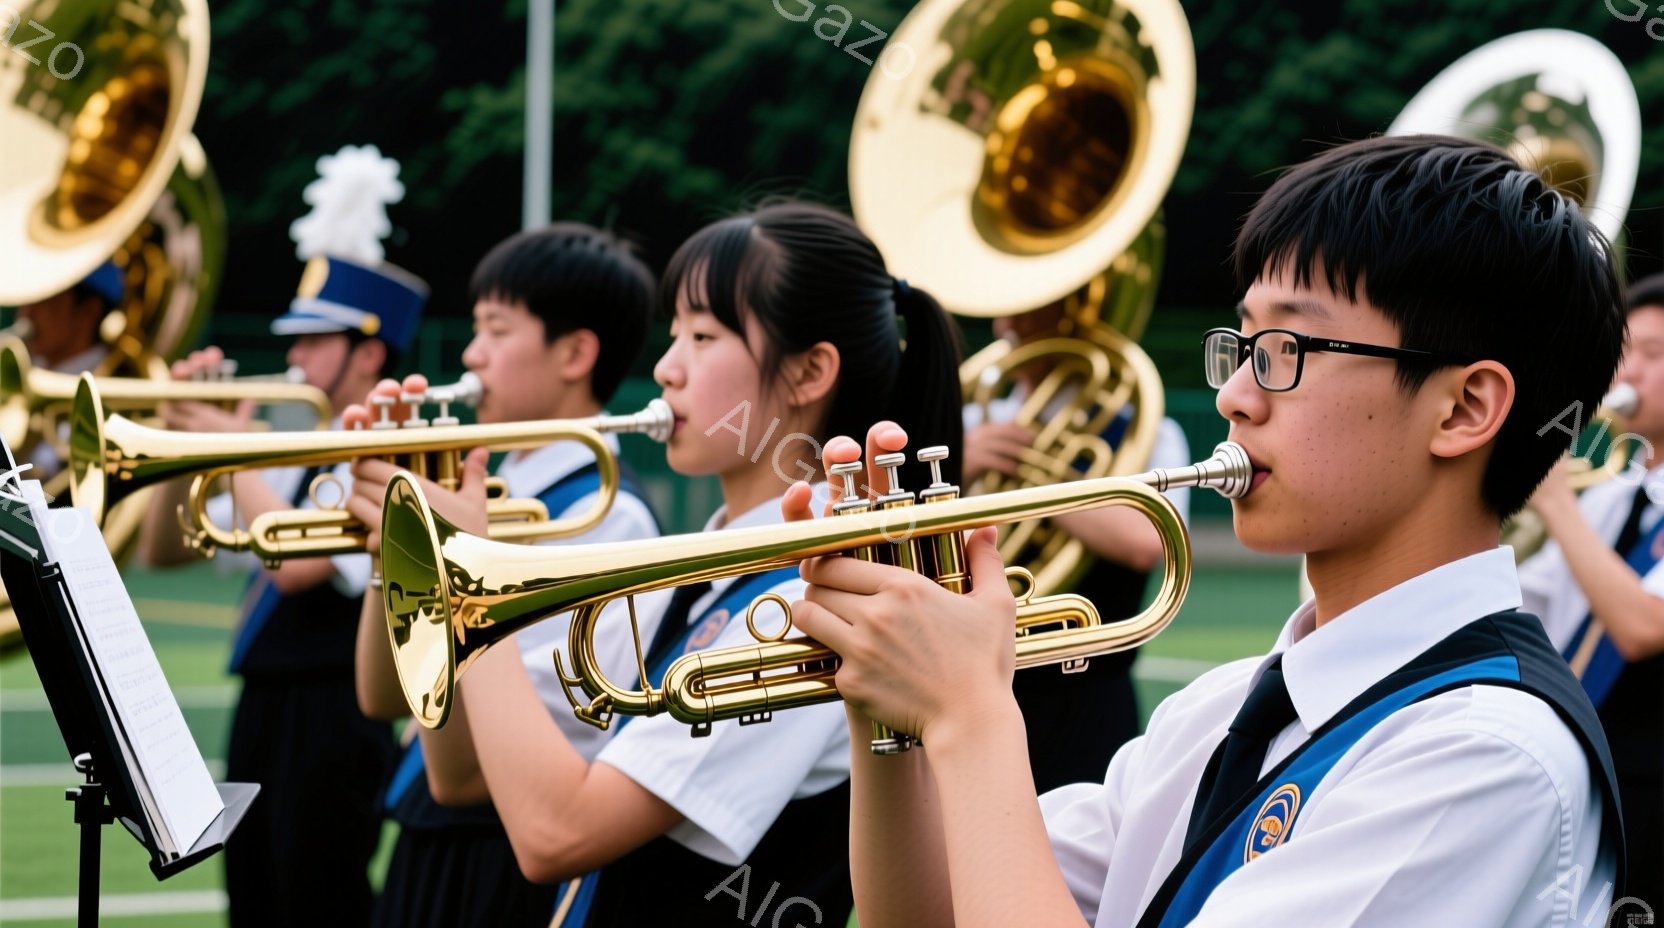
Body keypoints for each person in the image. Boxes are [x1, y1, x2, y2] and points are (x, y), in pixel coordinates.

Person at [785, 135, 1632, 927]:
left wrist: (970, 711)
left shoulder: (1484, 758)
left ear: (1465, 407)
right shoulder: (1220, 711)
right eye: (1245, 342)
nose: (1235, 397)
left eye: (1287, 348)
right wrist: (883, 700)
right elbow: (933, 912)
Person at [345, 200, 964, 926]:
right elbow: (456, 776)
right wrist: (409, 561)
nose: (666, 369)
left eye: (703, 335)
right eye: (674, 334)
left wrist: (463, 573)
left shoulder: (812, 597)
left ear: (808, 372)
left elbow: (555, 836)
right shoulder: (715, 567)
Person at [347, 223, 663, 928]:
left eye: (495, 329)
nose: (470, 353)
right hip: (427, 840)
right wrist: (392, 551)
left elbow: (465, 774)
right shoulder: (491, 490)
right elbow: (381, 695)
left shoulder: (606, 520)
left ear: (576, 352)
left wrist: (445, 562)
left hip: (498, 856)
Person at [136, 252, 426, 928]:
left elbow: (296, 567)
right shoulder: (303, 449)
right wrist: (185, 445)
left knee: (317, 900)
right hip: (267, 707)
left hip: (334, 713)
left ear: (369, 351)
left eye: (313, 339)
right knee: (255, 899)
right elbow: (164, 548)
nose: (293, 354)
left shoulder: (390, 450)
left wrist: (231, 446)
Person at [963, 300, 1190, 790]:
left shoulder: (1148, 431)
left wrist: (1033, 485)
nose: (1006, 323)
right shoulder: (968, 426)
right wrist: (958, 469)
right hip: (973, 679)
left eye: (1028, 306)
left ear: (1074, 312)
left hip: (1087, 694)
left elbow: (1147, 541)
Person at [1519, 270, 1664, 912]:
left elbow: (1640, 627)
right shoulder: (1609, 494)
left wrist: (1555, 506)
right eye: (1625, 350)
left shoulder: (1582, 506)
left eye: (1654, 355)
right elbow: (1527, 607)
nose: (1629, 371)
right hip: (1592, 772)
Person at [11, 260, 124, 479]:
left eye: (43, 301)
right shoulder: (22, 368)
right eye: (25, 300)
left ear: (88, 312)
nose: (26, 314)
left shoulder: (116, 387)